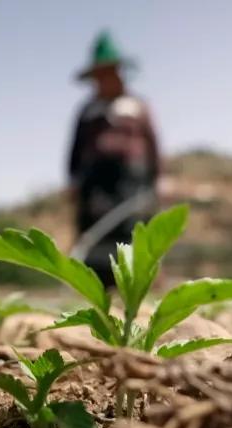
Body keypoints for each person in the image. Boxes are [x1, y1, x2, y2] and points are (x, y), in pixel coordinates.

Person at [67, 32, 161, 286]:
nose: (104, 80)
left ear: (119, 73)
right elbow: (74, 149)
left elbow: (153, 145)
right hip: (93, 185)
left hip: (130, 183)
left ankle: (131, 297)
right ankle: (99, 295)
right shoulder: (87, 111)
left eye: (109, 73)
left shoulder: (137, 107)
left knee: (129, 238)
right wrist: (73, 181)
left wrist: (157, 180)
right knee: (95, 240)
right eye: (99, 75)